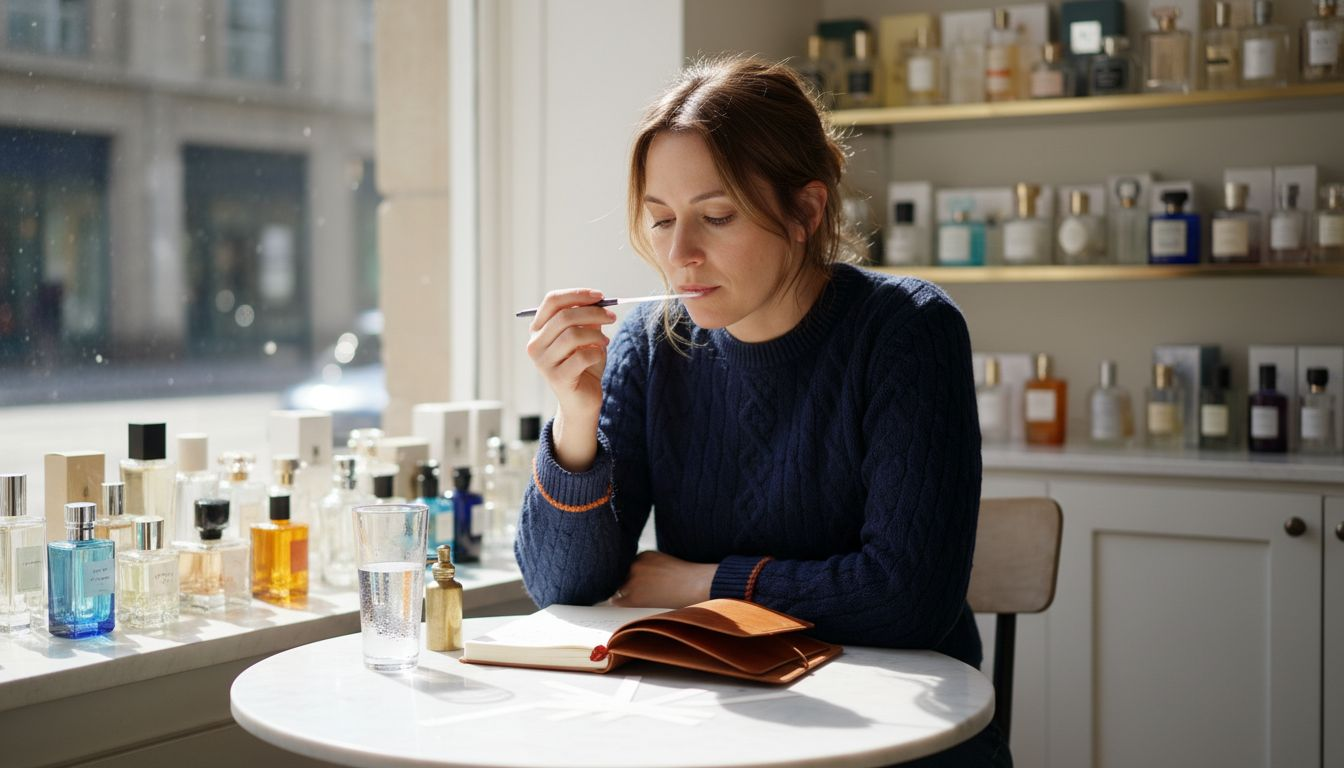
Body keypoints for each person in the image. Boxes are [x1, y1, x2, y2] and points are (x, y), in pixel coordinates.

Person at [516, 56, 1007, 766]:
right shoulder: (651, 349)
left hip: (899, 741)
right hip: (720, 728)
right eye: (660, 221)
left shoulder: (908, 329)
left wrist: (702, 582)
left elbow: (906, 598)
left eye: (716, 217)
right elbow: (564, 585)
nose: (679, 255)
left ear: (806, 210)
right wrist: (574, 418)